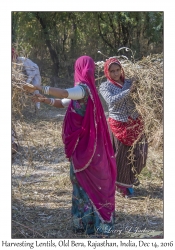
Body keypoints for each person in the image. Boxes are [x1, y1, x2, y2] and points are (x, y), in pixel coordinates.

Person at [23, 55, 117, 236]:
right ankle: (84, 222)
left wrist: (39, 87)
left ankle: (95, 224)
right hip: (81, 148)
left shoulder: (84, 89)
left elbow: (66, 93)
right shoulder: (82, 91)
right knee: (79, 182)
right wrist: (45, 100)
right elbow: (63, 102)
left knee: (88, 183)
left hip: (88, 149)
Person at [99, 57, 148, 197]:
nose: (115, 73)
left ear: (121, 69)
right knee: (121, 157)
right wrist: (129, 91)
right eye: (112, 71)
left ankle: (131, 178)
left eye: (117, 70)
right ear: (107, 73)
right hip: (118, 125)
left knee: (141, 154)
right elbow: (111, 101)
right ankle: (123, 186)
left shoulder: (130, 81)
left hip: (135, 123)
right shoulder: (105, 86)